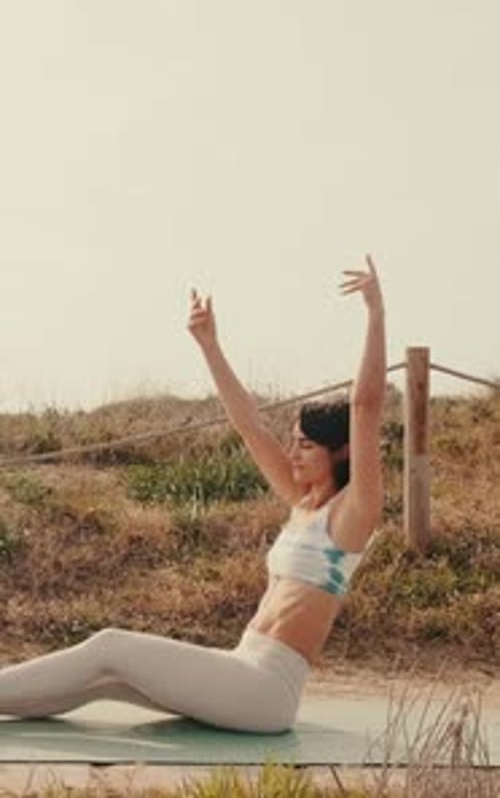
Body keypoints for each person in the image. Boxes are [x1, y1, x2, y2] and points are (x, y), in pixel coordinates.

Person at [0, 255, 386, 733]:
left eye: (305, 445)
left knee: (110, 647)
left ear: (342, 450)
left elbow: (366, 406)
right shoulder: (300, 503)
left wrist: (375, 312)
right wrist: (209, 345)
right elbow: (248, 424)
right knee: (102, 679)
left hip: (266, 688)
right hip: (243, 666)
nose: (292, 453)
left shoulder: (351, 517)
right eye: (293, 442)